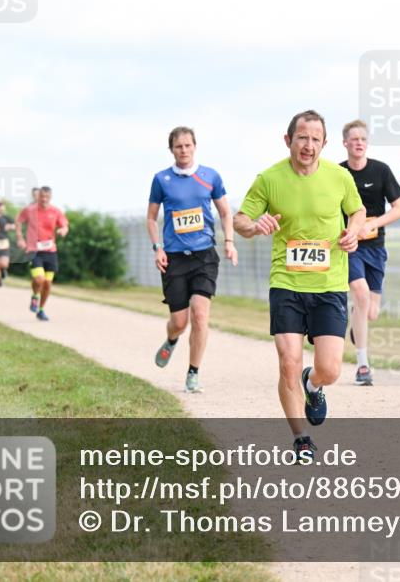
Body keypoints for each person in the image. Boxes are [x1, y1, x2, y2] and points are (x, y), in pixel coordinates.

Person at [234, 109, 365, 461]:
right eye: (302, 138)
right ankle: (301, 438)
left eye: (315, 139)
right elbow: (240, 220)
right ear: (288, 139)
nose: (308, 146)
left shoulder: (340, 177)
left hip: (329, 284)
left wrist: (353, 231)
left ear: (325, 143)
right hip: (286, 282)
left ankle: (314, 383)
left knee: (331, 369)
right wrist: (254, 225)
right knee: (288, 361)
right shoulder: (269, 178)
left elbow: (357, 211)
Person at [148, 126, 238, 393]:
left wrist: (230, 242)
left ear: (195, 146)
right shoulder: (161, 179)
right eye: (179, 146)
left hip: (204, 256)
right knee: (180, 322)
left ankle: (193, 372)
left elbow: (225, 212)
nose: (184, 150)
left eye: (188, 145)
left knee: (200, 315)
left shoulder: (210, 176)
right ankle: (171, 339)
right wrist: (158, 248)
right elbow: (151, 218)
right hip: (174, 258)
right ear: (171, 149)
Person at [339, 119, 400, 386]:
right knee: (360, 293)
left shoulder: (381, 171)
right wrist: (351, 229)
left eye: (362, 139)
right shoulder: (337, 173)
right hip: (350, 246)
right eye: (353, 139)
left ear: (367, 143)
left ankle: (358, 322)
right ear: (345, 143)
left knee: (370, 311)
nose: (358, 143)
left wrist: (373, 223)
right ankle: (363, 365)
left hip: (376, 247)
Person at [15, 186, 69, 321]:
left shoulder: (55, 211)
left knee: (47, 284)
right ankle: (34, 296)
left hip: (50, 251)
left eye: (47, 197)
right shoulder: (30, 210)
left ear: (50, 197)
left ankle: (41, 309)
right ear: (37, 196)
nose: (44, 199)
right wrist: (20, 238)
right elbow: (18, 221)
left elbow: (64, 225)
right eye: (41, 196)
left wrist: (63, 230)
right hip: (34, 250)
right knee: (40, 279)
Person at [0, 201, 15, 286]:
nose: (2, 210)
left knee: (4, 263)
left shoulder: (6, 217)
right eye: (0, 209)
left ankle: (4, 270)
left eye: (3, 209)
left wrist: (10, 226)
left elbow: (15, 225)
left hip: (4, 241)